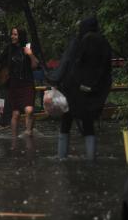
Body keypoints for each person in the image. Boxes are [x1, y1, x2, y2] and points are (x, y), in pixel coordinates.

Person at [48, 17, 112, 160]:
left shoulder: (78, 42)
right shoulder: (103, 42)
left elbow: (67, 62)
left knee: (66, 122)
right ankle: (91, 159)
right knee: (88, 124)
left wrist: (55, 79)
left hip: (73, 89)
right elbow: (106, 69)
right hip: (91, 91)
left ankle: (61, 157)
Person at [0, 27, 39, 138]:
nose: (13, 36)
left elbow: (35, 65)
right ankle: (14, 140)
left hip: (27, 83)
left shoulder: (28, 47)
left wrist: (30, 54)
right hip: (14, 84)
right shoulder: (9, 49)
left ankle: (28, 133)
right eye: (12, 34)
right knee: (16, 114)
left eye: (15, 34)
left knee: (29, 110)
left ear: (21, 36)